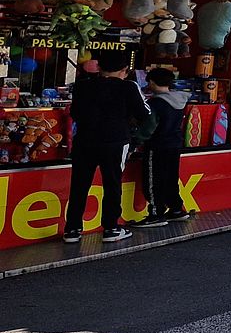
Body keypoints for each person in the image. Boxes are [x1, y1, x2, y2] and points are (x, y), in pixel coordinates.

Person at [64, 51, 152, 244]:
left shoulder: (82, 85)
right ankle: (111, 228)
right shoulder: (129, 86)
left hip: (84, 141)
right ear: (124, 70)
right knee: (112, 184)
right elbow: (145, 113)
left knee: (79, 185)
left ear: (99, 67)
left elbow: (75, 113)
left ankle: (72, 229)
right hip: (115, 141)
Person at [133, 67, 191, 228]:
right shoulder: (180, 100)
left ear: (151, 82)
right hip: (174, 144)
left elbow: (148, 128)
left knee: (153, 180)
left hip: (158, 145)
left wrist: (135, 141)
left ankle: (155, 213)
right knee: (171, 177)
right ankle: (176, 208)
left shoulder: (156, 103)